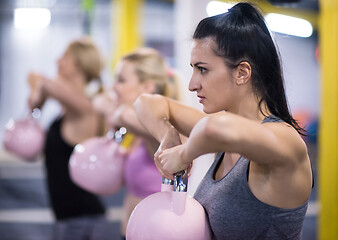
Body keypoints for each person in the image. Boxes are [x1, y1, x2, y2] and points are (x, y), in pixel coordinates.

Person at [133, 2, 313, 240]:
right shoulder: (225, 136)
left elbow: (215, 128)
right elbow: (145, 103)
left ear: (242, 73)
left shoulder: (284, 141)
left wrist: (183, 154)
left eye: (203, 69)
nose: (192, 84)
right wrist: (169, 136)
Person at [95, 47, 182, 240]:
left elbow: (122, 114)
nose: (113, 87)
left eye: (121, 80)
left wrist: (115, 112)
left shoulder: (159, 125)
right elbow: (100, 102)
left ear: (147, 87)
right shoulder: (136, 131)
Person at [27, 37, 109, 240]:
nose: (58, 61)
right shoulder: (68, 112)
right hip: (71, 219)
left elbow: (44, 84)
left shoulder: (86, 109)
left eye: (65, 57)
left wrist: (39, 86)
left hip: (81, 220)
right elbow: (35, 102)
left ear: (80, 65)